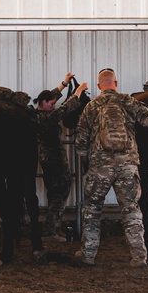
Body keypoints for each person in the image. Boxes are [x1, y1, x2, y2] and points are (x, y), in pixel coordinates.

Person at [72, 68, 148, 267]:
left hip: (100, 168)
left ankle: (88, 255)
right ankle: (139, 257)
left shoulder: (91, 106)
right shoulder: (127, 101)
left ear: (99, 86)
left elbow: (80, 142)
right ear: (115, 83)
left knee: (92, 209)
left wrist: (89, 161)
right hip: (128, 166)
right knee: (131, 210)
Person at [34, 72, 88, 242]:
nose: (54, 105)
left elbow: (52, 96)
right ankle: (50, 231)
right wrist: (78, 91)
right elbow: (66, 109)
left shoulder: (38, 113)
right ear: (44, 103)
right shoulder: (47, 118)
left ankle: (55, 227)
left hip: (48, 162)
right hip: (55, 161)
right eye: (52, 103)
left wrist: (64, 84)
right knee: (61, 192)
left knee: (54, 193)